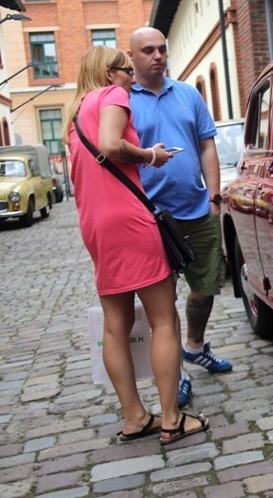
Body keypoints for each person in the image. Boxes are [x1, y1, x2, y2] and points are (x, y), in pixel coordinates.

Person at [62, 45, 209, 445]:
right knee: (163, 319)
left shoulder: (74, 117)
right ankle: (171, 419)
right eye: (125, 70)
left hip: (97, 227)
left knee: (115, 327)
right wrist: (151, 155)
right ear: (109, 74)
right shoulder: (112, 96)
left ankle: (134, 417)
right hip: (130, 222)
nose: (130, 77)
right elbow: (112, 146)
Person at [128, 27, 233, 411]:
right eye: (148, 50)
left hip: (197, 210)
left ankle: (194, 347)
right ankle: (180, 372)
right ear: (132, 56)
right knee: (162, 301)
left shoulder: (188, 93)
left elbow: (206, 144)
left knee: (206, 287)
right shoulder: (123, 101)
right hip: (152, 218)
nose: (158, 55)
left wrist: (215, 197)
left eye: (162, 49)